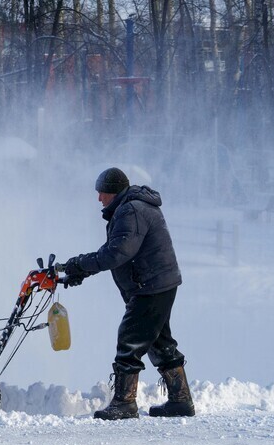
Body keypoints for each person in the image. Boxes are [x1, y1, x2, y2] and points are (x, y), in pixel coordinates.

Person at [61, 167, 195, 420]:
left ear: (113, 191)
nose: (99, 198)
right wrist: (81, 270)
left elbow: (117, 253)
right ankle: (181, 400)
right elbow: (115, 249)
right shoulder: (130, 208)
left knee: (130, 340)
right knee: (159, 342)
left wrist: (80, 264)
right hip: (156, 283)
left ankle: (125, 402)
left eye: (102, 192)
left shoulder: (131, 210)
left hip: (150, 286)